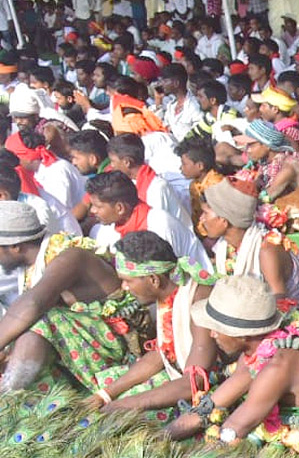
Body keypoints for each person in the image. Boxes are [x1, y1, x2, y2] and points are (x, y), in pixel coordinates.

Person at [167, 275, 299, 451]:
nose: (212, 334)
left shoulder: (278, 365)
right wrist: (159, 438)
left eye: (217, 329)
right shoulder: (255, 354)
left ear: (241, 334)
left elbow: (235, 429)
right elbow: (208, 409)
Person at [0, 201, 148, 393]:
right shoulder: (33, 266)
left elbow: (33, 303)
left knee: (44, 320)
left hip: (120, 344)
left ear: (15, 247)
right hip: (88, 346)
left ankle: (7, 396)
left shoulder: (70, 257)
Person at [95, 231, 218, 415]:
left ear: (154, 280)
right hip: (179, 380)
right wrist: (105, 395)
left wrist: (124, 406)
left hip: (210, 395)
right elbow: (161, 354)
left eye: (128, 281)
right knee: (104, 387)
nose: (124, 288)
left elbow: (194, 381)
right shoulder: (165, 297)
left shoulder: (199, 299)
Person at [200, 178, 299, 306]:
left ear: (223, 221)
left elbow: (280, 302)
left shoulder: (267, 250)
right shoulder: (226, 246)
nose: (202, 219)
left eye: (205, 213)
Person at [87, 171, 210, 271]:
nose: (92, 211)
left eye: (98, 206)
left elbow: (170, 275)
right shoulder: (114, 228)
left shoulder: (158, 226)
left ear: (120, 208)